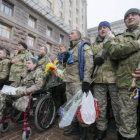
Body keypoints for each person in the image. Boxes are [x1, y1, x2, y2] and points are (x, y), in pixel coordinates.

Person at [110, 8, 140, 140]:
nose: (130, 17)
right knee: (127, 120)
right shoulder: (119, 37)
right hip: (127, 84)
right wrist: (136, 44)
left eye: (134, 14)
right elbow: (114, 52)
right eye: (127, 16)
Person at [63, 29, 93, 140]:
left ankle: (84, 132)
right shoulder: (70, 48)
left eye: (72, 33)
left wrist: (86, 81)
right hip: (69, 82)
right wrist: (64, 60)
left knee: (81, 107)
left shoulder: (83, 46)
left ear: (78, 36)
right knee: (71, 106)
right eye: (69, 33)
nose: (69, 35)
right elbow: (66, 65)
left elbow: (89, 63)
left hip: (78, 83)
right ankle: (74, 127)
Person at [91, 21, 119, 140]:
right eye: (100, 28)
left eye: (105, 27)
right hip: (98, 81)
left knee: (117, 106)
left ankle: (121, 130)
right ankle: (101, 129)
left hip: (114, 79)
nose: (102, 30)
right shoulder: (93, 45)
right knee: (100, 106)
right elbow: (89, 60)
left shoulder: (115, 40)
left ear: (109, 29)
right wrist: (94, 61)